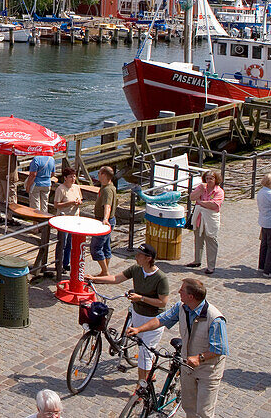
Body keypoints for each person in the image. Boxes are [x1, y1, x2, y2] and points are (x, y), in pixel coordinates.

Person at [128, 278, 228, 418]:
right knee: (189, 407)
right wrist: (139, 329)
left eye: (182, 290)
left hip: (208, 371)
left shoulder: (215, 319)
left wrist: (200, 358)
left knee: (204, 412)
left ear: (190, 296)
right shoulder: (182, 307)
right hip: (187, 366)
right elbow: (161, 319)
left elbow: (219, 349)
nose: (178, 291)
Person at [87, 243, 169, 384]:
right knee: (142, 346)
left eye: (139, 255)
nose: (136, 257)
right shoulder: (136, 269)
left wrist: (141, 298)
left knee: (144, 352)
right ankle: (148, 370)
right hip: (138, 314)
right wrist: (95, 279)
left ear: (148, 258)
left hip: (153, 319)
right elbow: (116, 279)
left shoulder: (161, 278)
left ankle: (141, 385)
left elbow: (162, 302)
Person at [187, 170, 224, 275]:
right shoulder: (201, 187)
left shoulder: (219, 191)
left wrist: (200, 202)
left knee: (211, 241)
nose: (209, 180)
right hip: (199, 217)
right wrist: (200, 191)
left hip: (210, 219)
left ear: (216, 179)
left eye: (211, 178)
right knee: (198, 239)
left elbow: (214, 205)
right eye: (207, 178)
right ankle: (197, 261)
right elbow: (192, 197)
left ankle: (211, 266)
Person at [54, 166, 83, 273]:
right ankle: (59, 264)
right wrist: (69, 203)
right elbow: (56, 205)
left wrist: (79, 202)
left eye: (74, 176)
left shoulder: (76, 187)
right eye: (71, 177)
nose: (73, 178)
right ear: (65, 178)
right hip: (64, 219)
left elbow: (80, 198)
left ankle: (66, 263)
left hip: (74, 218)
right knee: (63, 242)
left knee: (70, 243)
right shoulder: (60, 189)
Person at [91, 167, 118, 276]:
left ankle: (105, 271)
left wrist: (105, 219)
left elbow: (107, 206)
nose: (97, 175)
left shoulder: (107, 190)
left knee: (95, 247)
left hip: (104, 221)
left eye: (99, 173)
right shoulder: (109, 187)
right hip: (109, 220)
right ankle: (105, 270)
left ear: (103, 175)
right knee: (106, 246)